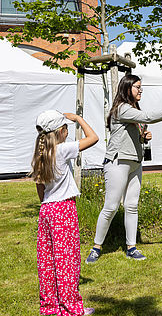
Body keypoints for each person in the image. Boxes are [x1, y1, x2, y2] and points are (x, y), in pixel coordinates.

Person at [85, 74, 162, 264]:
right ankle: (96, 247)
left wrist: (143, 137)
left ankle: (131, 248)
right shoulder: (122, 109)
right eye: (137, 87)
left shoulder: (133, 109)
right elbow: (148, 117)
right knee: (111, 206)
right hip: (118, 162)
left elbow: (135, 132)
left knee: (132, 206)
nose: (140, 90)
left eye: (141, 87)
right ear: (127, 89)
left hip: (135, 162)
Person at [31, 110, 98, 316]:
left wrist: (46, 204)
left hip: (47, 210)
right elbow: (93, 138)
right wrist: (78, 118)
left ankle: (50, 307)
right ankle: (71, 308)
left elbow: (40, 188)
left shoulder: (39, 154)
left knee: (48, 261)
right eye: (66, 128)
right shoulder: (62, 150)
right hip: (63, 209)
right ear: (61, 131)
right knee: (67, 261)